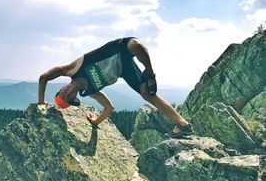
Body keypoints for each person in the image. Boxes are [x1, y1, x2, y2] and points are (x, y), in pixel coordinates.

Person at [38, 37, 193, 138]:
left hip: (121, 47)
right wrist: (95, 122)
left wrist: (41, 101)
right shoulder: (90, 91)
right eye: (67, 97)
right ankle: (183, 124)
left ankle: (150, 73)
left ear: (62, 86)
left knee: (137, 45)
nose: (66, 92)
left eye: (62, 92)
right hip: (124, 70)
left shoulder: (72, 69)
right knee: (147, 94)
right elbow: (109, 107)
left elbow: (44, 77)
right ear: (74, 99)